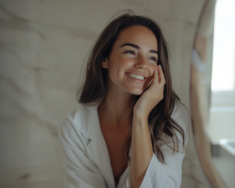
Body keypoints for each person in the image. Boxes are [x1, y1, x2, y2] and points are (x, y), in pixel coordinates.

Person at [58, 10, 189, 188]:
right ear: (105, 58)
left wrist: (141, 116)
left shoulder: (172, 116)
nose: (143, 63)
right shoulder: (74, 125)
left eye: (152, 57)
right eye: (130, 52)